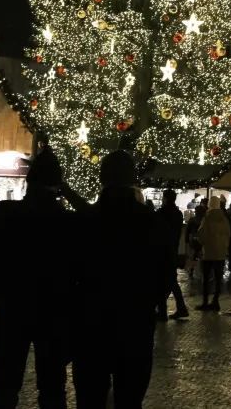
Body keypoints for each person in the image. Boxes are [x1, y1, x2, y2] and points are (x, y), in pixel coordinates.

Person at [72, 150, 171, 409]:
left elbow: (68, 273)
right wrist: (148, 302)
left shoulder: (84, 221)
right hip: (135, 322)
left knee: (90, 398)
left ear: (103, 178)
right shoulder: (151, 221)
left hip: (91, 323)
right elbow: (165, 275)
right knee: (130, 398)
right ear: (132, 179)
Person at [0, 148, 77, 409]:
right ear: (57, 184)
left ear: (28, 181)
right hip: (54, 310)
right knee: (52, 386)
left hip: (13, 305)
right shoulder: (67, 222)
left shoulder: (3, 213)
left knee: (5, 382)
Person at [156, 188, 189, 320]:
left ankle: (163, 311)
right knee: (171, 281)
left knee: (163, 281)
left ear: (165, 198)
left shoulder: (162, 213)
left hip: (162, 250)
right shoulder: (178, 213)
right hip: (173, 249)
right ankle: (180, 308)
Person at [196, 194, 231, 312]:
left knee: (206, 278)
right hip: (220, 253)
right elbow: (228, 234)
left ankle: (205, 302)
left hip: (208, 253)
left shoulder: (207, 217)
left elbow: (201, 234)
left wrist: (202, 244)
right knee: (218, 278)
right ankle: (215, 301)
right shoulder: (224, 219)